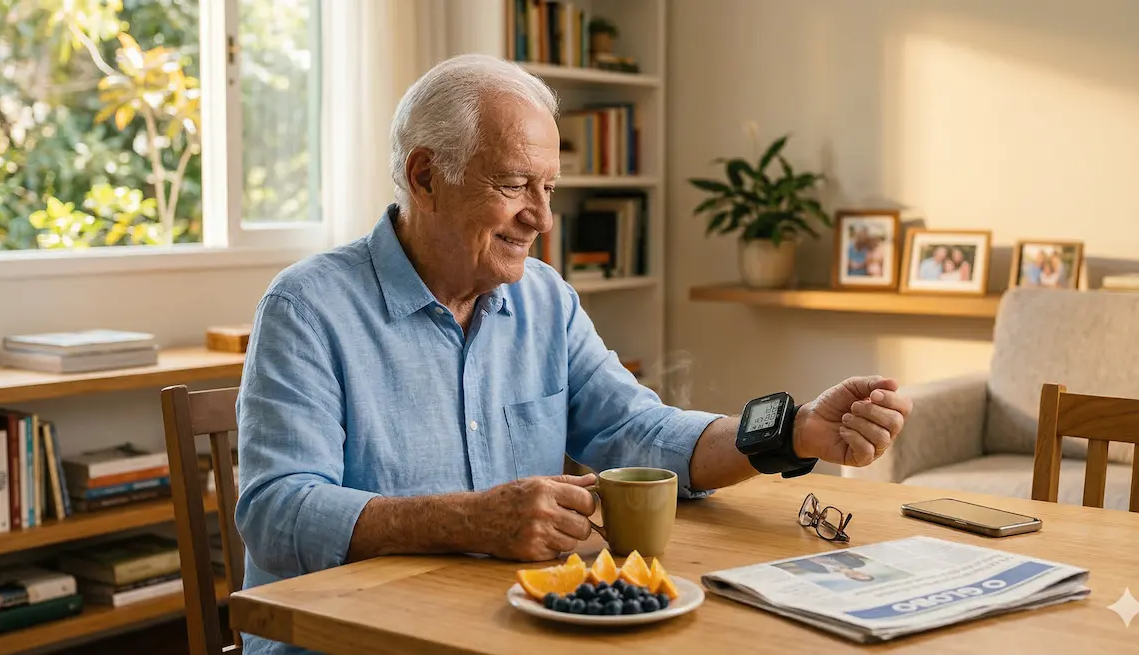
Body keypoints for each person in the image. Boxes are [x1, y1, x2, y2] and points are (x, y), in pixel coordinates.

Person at [234, 54, 913, 655]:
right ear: (424, 175)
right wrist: (469, 519)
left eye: (548, 187)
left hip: (499, 624)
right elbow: (276, 512)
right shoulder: (307, 307)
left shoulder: (544, 301)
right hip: (341, 637)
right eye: (513, 184)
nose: (543, 218)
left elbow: (637, 432)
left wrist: (790, 430)